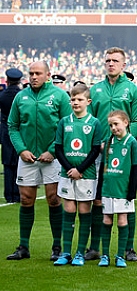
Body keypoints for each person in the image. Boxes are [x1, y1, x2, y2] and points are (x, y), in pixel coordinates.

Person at [6, 61, 71, 261]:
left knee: (53, 199)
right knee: (26, 199)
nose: (34, 77)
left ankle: (57, 246)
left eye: (38, 73)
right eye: (31, 73)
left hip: (52, 157)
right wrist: (21, 149)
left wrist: (52, 151)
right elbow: (13, 125)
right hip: (27, 156)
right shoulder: (21, 96)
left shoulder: (59, 96)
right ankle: (23, 246)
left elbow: (67, 125)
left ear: (48, 75)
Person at [87, 47, 137, 262]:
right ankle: (94, 247)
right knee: (98, 199)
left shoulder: (133, 90)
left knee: (127, 199)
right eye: (108, 60)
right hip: (100, 152)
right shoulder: (95, 90)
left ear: (124, 65)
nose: (111, 64)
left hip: (124, 152)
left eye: (115, 61)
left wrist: (124, 142)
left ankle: (128, 248)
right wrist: (99, 144)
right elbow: (91, 121)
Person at [52, 84, 103, 266]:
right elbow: (58, 148)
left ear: (88, 101)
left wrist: (80, 169)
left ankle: (80, 252)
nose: (76, 102)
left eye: (80, 99)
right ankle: (66, 253)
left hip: (86, 174)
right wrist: (69, 169)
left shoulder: (94, 123)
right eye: (73, 99)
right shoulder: (64, 122)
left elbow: (95, 150)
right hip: (67, 174)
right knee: (69, 209)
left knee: (83, 210)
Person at [98, 110, 137, 268]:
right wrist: (99, 189)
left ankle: (120, 256)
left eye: (116, 124)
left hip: (123, 189)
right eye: (110, 125)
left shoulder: (131, 142)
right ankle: (105, 255)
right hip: (108, 188)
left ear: (126, 123)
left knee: (122, 220)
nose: (113, 128)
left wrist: (132, 191)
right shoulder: (108, 142)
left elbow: (136, 167)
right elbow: (103, 166)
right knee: (107, 219)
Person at [1, 68, 23, 203]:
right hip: (19, 130)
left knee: (7, 162)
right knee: (19, 161)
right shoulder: (22, 95)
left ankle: (9, 194)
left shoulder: (2, 95)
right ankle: (18, 192)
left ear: (7, 80)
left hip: (5, 129)